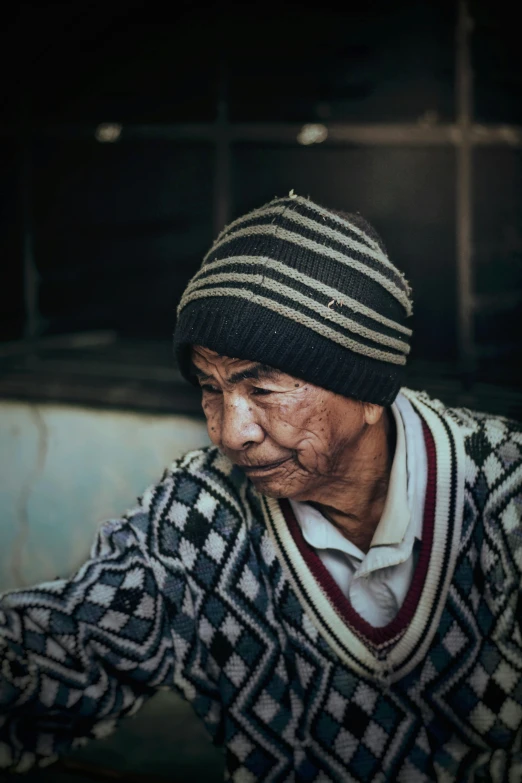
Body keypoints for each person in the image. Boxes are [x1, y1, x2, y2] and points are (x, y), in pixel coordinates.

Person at [1, 192, 521, 782]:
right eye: (210, 388)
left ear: (369, 392)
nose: (230, 432)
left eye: (263, 388)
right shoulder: (199, 512)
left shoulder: (503, 487)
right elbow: (66, 649)